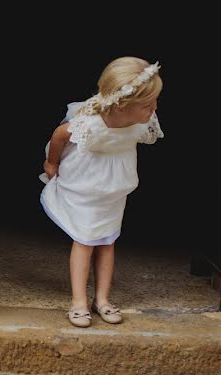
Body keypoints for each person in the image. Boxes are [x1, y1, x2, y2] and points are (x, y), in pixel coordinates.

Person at [39, 56, 164, 327]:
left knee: (107, 240)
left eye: (155, 101)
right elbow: (60, 135)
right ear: (123, 104)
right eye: (147, 104)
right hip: (86, 186)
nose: (153, 109)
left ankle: (103, 299)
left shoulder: (142, 118)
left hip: (113, 189)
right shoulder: (93, 122)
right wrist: (52, 162)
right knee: (85, 240)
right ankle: (79, 301)